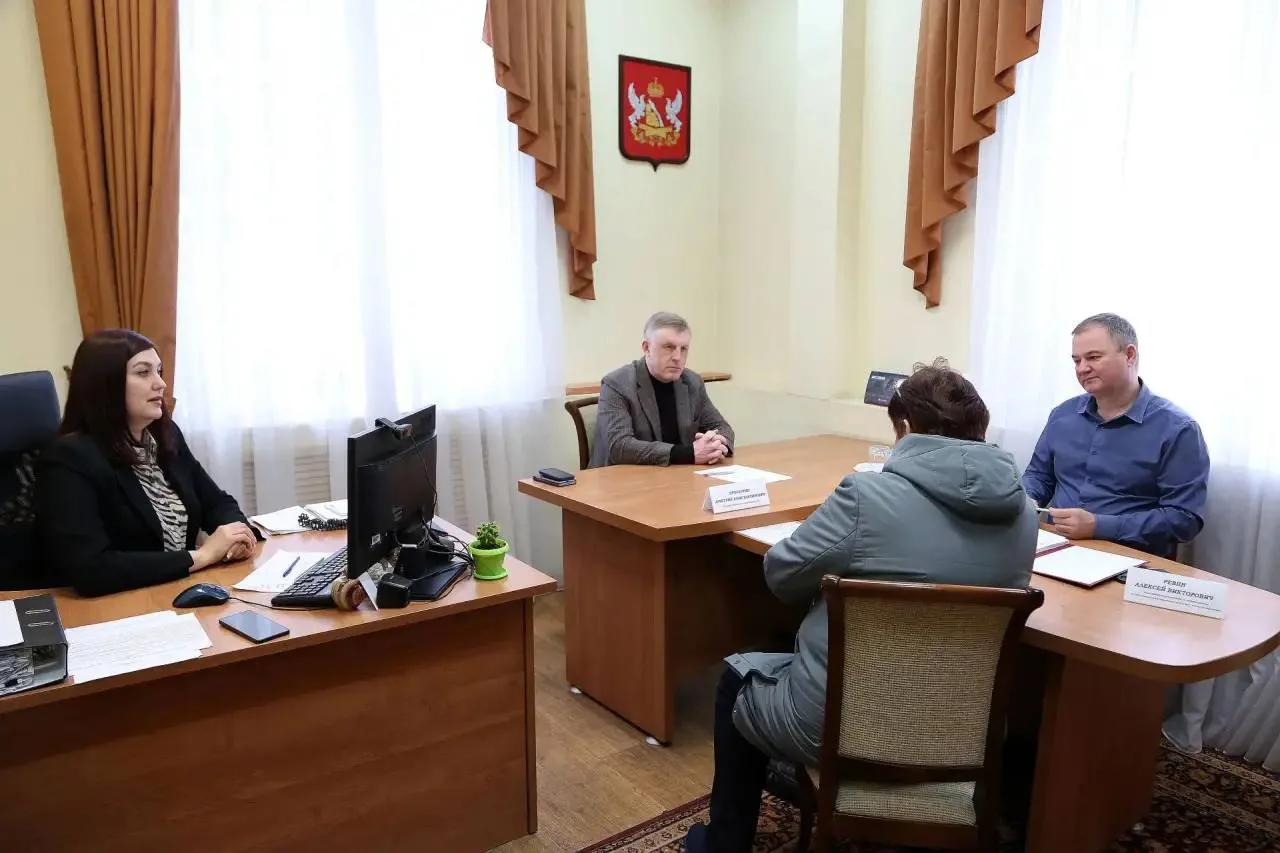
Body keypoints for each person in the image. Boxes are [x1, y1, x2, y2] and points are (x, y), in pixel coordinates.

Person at [684, 360, 1037, 853]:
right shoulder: (1026, 513)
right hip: (963, 731)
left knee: (737, 680)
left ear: (905, 428)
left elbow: (781, 574)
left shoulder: (866, 496)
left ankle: (725, 844)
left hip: (845, 726)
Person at [36, 329, 260, 597]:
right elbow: (91, 568)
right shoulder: (69, 458)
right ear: (105, 384)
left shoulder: (164, 434)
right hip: (117, 603)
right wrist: (201, 556)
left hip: (179, 589)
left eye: (159, 371)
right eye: (144, 372)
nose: (161, 383)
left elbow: (217, 502)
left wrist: (237, 536)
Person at [1022, 313, 1209, 557]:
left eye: (1093, 357)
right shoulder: (1062, 414)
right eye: (1076, 360)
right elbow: (1038, 476)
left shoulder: (1178, 429)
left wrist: (1099, 526)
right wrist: (1028, 499)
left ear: (1129, 355)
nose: (1082, 368)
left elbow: (1184, 519)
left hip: (1128, 557)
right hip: (1054, 546)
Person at [588, 312, 735, 467]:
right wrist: (688, 454)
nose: (677, 357)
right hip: (621, 478)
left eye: (683, 349)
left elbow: (723, 428)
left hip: (676, 475)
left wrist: (715, 445)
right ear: (647, 348)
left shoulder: (692, 382)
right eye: (669, 347)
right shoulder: (616, 383)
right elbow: (619, 447)